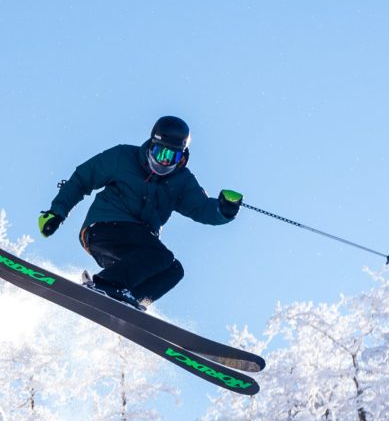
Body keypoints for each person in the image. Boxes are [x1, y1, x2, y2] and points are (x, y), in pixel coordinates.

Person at [37, 116, 243, 309]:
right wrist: (57, 212)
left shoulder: (182, 181)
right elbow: (83, 178)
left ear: (182, 157)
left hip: (137, 249)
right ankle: (107, 284)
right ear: (150, 145)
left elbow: (202, 208)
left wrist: (223, 210)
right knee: (161, 256)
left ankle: (128, 301)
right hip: (104, 229)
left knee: (174, 270)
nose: (164, 161)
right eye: (160, 153)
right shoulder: (123, 157)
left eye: (172, 156)